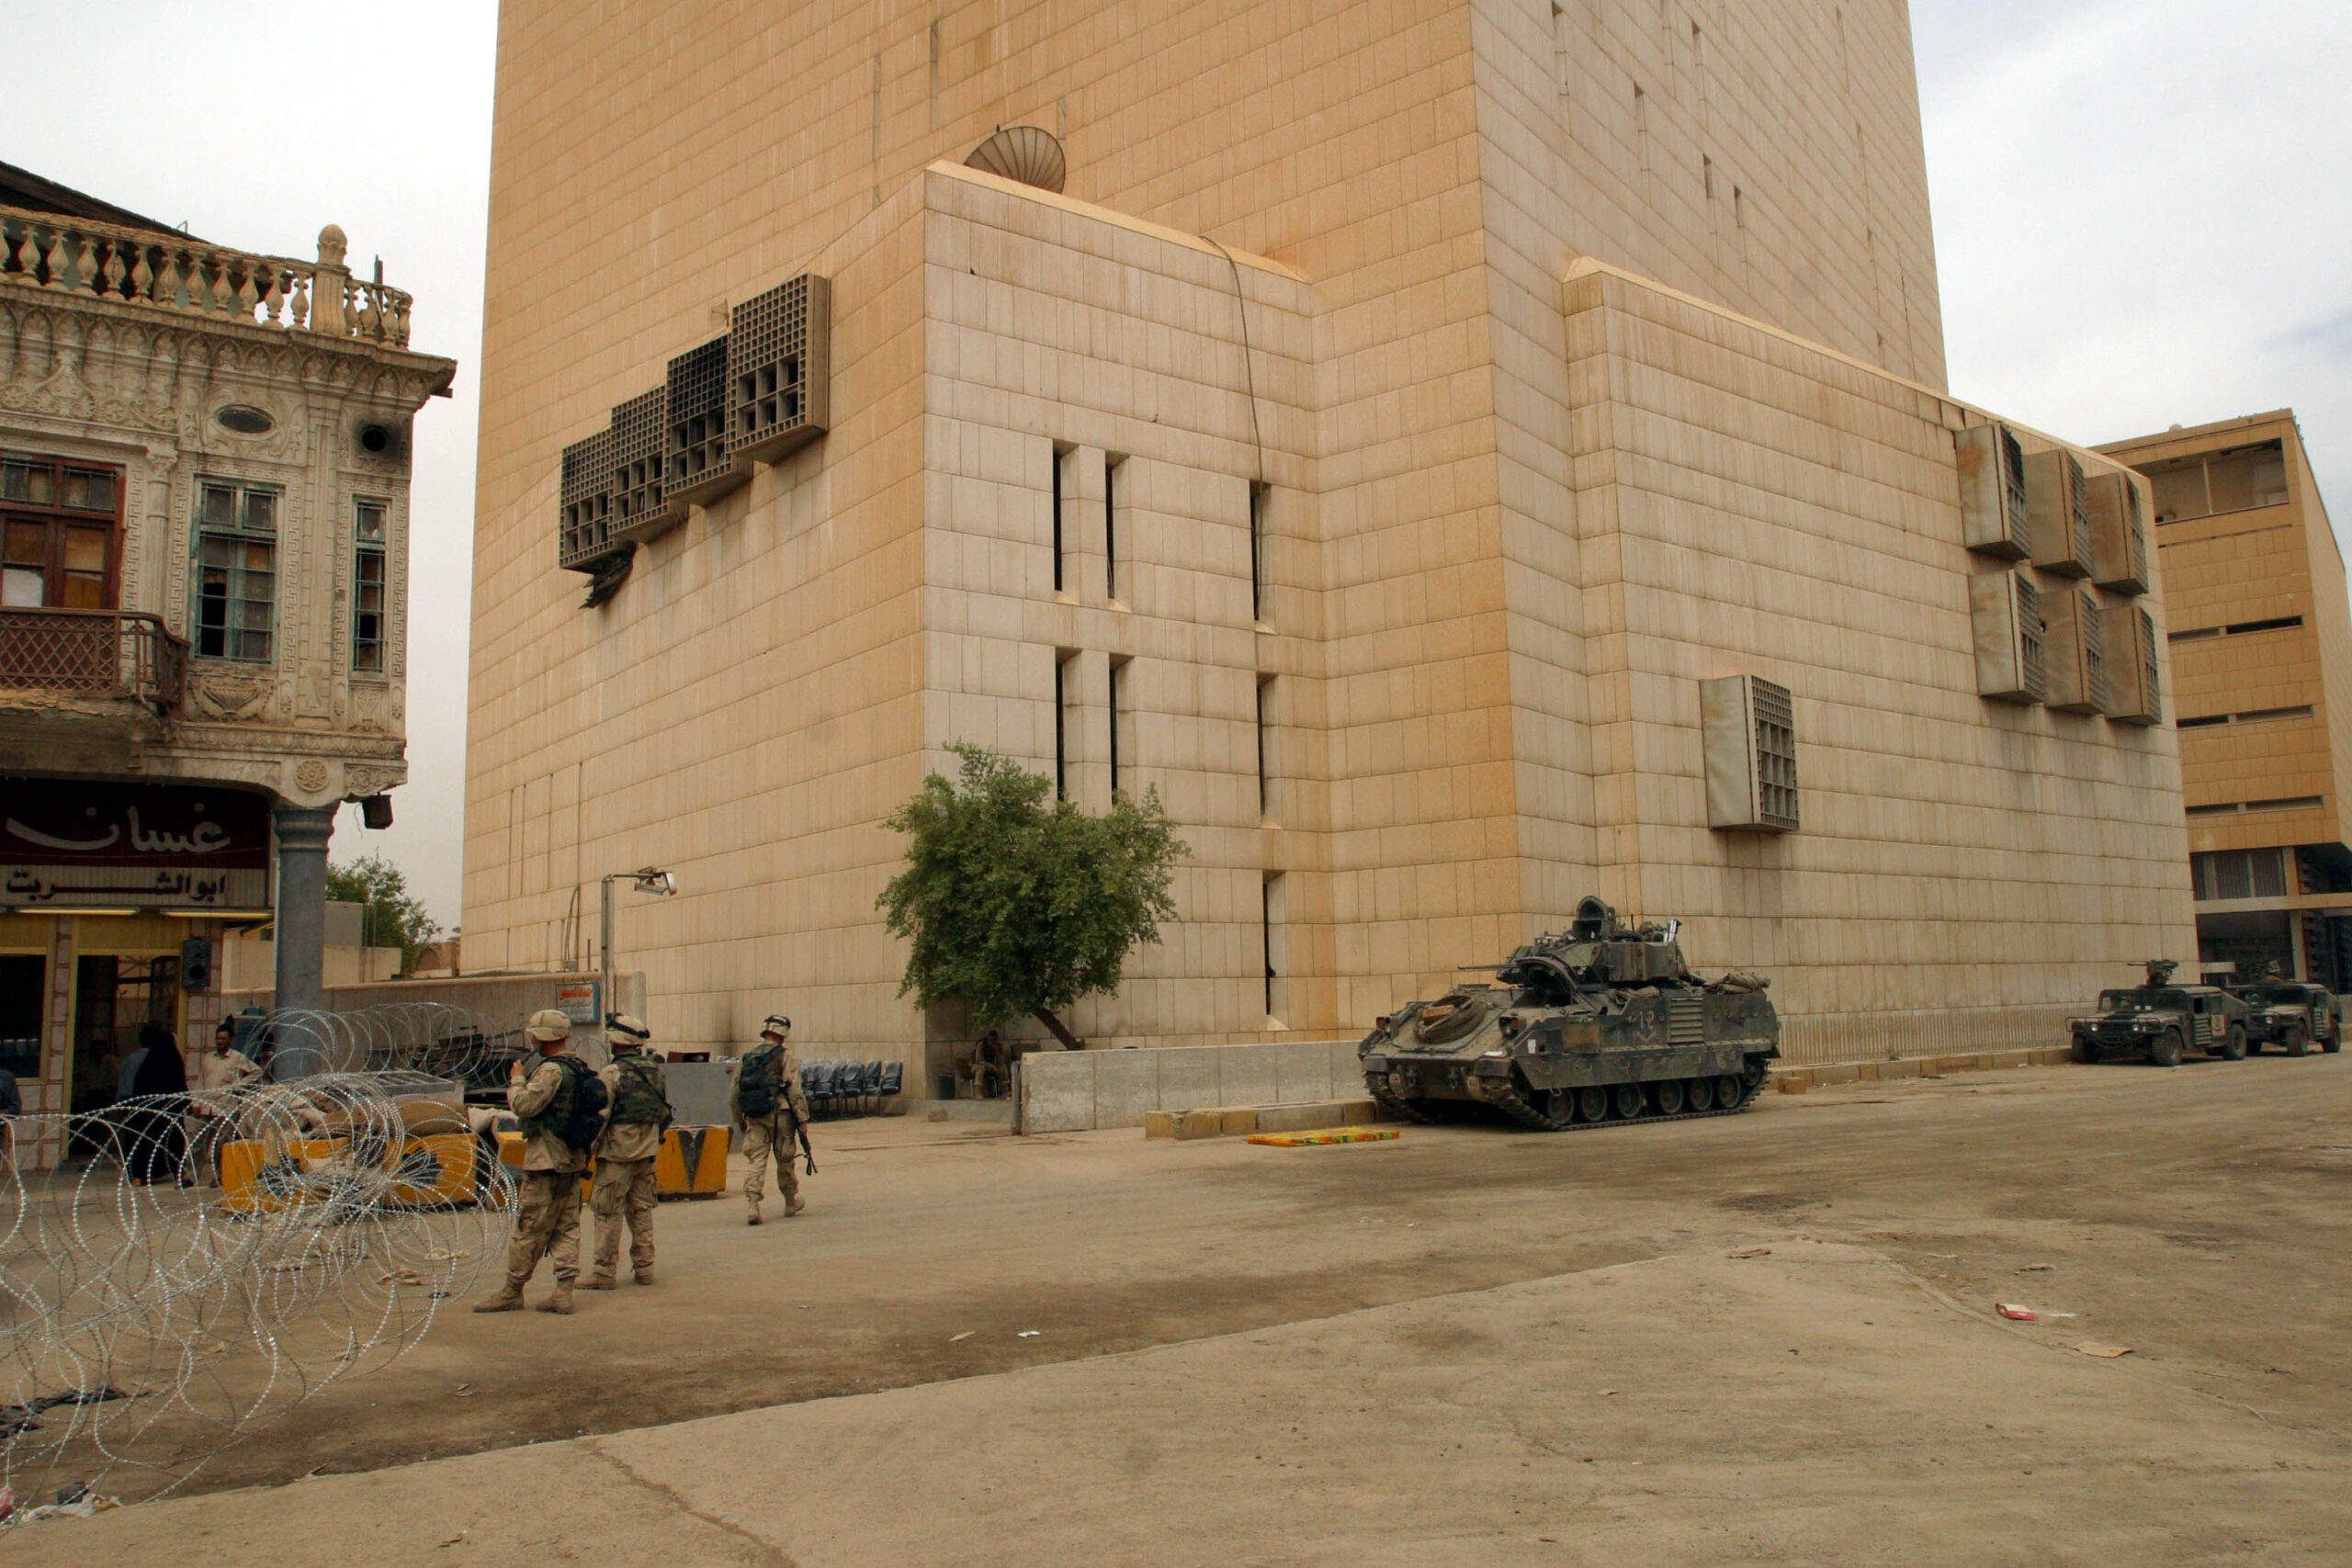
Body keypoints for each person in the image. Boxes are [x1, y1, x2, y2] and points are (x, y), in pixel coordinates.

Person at [475, 1010, 596, 1314]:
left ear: (542, 1037)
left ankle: (512, 1290)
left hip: (546, 1160)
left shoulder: (551, 1071)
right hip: (572, 1158)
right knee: (567, 1226)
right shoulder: (579, 1068)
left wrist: (517, 1081)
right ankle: (563, 1291)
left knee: (530, 1226)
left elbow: (525, 1106)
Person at [585, 1013, 669, 1290]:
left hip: (617, 1153)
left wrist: (588, 1149)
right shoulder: (655, 1069)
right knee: (642, 1209)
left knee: (607, 1211)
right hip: (647, 1150)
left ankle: (603, 1272)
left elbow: (601, 1115)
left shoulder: (612, 1072)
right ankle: (644, 1268)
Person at [732, 1014, 810, 1226]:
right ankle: (790, 1202)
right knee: (785, 1159)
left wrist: (738, 1117)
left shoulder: (748, 1057)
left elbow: (735, 1091)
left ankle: (752, 1205)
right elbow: (794, 1090)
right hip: (780, 1113)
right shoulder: (785, 1056)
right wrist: (802, 1118)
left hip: (755, 1115)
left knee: (756, 1160)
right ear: (783, 1034)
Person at [187, 1019, 263, 1185]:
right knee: (197, 1143)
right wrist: (196, 1103)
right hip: (206, 1107)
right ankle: (191, 1175)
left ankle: (219, 1175)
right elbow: (201, 1081)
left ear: (231, 1040)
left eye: (223, 1039)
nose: (220, 1042)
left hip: (226, 1107)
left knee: (220, 1144)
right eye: (218, 1038)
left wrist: (237, 1086)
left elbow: (256, 1071)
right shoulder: (209, 1058)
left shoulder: (237, 1058)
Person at [124, 1024, 189, 1185]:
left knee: (146, 1143)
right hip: (170, 1111)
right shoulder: (172, 1058)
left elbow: (140, 1086)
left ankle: (141, 1175)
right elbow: (179, 1083)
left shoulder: (150, 1062)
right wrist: (185, 1102)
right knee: (173, 1143)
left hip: (148, 1111)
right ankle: (177, 1172)